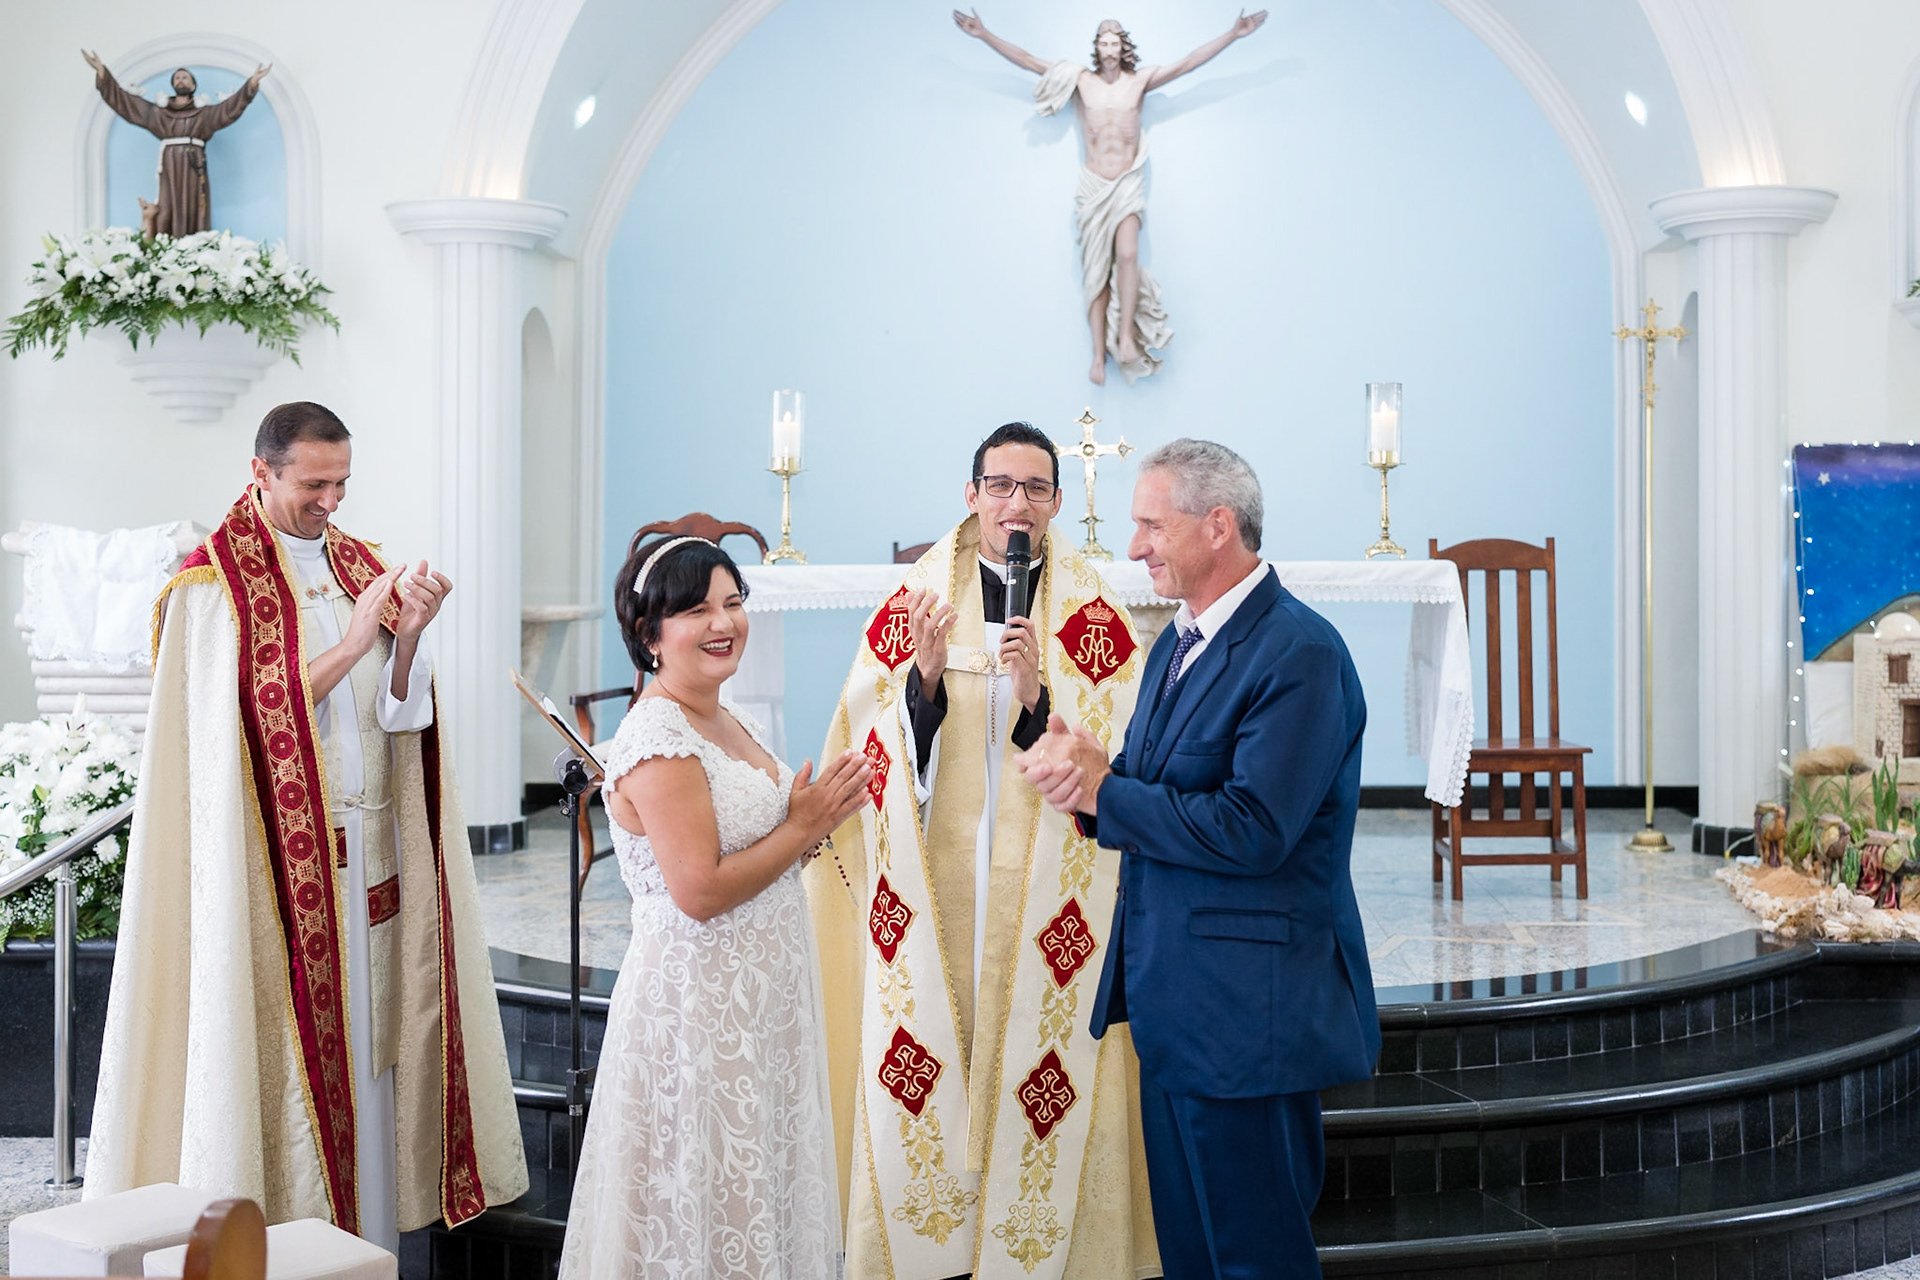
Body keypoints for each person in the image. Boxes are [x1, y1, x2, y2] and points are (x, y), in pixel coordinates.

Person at [87, 402, 526, 1250]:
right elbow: (244, 727)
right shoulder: (213, 587)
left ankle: (371, 1258)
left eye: (343, 482)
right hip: (278, 878)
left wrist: (408, 641)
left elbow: (401, 719)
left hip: (371, 857)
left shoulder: (363, 562)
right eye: (314, 484)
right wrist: (364, 633)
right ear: (262, 473)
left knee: (374, 1063)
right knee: (301, 1074)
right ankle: (300, 1252)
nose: (332, 501)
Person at [1018, 439, 1379, 1279]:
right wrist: (1088, 773)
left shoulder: (1299, 653)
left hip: (1250, 1011)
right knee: (1192, 1254)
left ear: (1218, 525)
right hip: (1181, 997)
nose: (1135, 544)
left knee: (1254, 1258)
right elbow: (1155, 792)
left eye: (1153, 524)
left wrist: (1110, 790)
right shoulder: (1177, 643)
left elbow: (1254, 828)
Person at [807, 423, 1158, 1280]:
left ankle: (1050, 1244)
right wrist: (922, 686)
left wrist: (1038, 695)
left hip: (1050, 892)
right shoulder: (914, 604)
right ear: (971, 496)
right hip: (944, 880)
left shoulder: (1094, 620)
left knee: (1039, 1048)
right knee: (945, 1037)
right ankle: (943, 1239)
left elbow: (1119, 752)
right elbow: (870, 744)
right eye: (1001, 486)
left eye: (1035, 489)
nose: (1017, 505)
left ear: (1057, 505)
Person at [559, 535, 869, 1277]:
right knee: (701, 1196)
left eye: (732, 603)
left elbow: (762, 852)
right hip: (699, 1007)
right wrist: (804, 824)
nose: (722, 622)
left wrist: (807, 818)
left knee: (756, 1182)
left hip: (757, 998)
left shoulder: (727, 719)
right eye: (697, 609)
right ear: (649, 635)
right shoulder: (660, 737)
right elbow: (698, 891)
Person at [953, 10, 1267, 384]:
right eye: (1102, 41)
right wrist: (984, 34)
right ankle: (1099, 356)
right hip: (1094, 185)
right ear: (1096, 48)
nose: (1109, 47)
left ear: (1124, 46)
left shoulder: (1140, 81)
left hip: (1128, 182)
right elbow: (1027, 60)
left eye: (1115, 40)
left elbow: (1188, 63)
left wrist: (1233, 34)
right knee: (1096, 275)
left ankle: (1125, 340)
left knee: (1128, 254)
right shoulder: (1081, 80)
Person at [82, 51, 270, 236]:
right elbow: (128, 104)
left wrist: (251, 84)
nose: (181, 80)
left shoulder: (204, 114)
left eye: (185, 77)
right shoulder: (159, 113)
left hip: (195, 164)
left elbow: (229, 109)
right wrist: (102, 73)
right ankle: (167, 248)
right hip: (169, 165)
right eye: (177, 77)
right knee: (167, 206)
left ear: (194, 84)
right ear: (172, 84)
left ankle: (195, 247)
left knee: (195, 206)